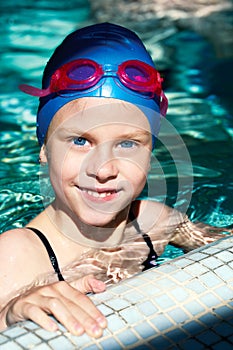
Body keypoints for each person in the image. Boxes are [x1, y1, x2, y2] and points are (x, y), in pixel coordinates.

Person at [0, 22, 231, 338]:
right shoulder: (16, 253)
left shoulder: (154, 222)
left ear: (150, 155)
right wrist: (11, 313)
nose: (103, 169)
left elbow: (223, 248)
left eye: (127, 143)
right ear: (44, 149)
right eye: (80, 141)